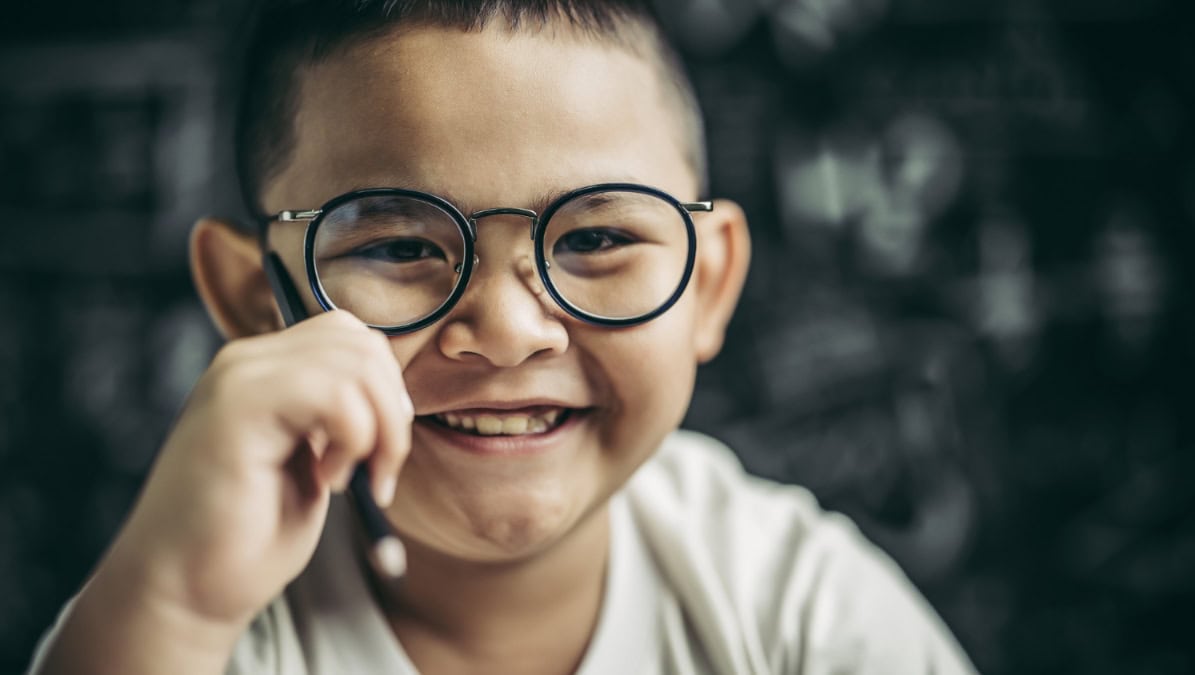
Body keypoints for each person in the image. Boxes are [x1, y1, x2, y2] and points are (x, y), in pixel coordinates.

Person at [27, 1, 976, 673]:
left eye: (599, 238)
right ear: (256, 300)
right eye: (399, 244)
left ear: (708, 281)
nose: (510, 332)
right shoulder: (180, 621)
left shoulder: (796, 612)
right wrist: (172, 607)